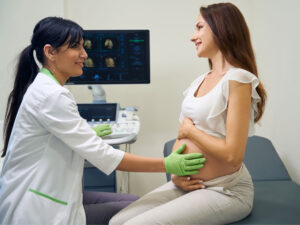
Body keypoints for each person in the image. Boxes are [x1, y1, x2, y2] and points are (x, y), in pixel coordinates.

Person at [0, 17, 206, 225]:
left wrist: (87, 133)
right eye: (75, 47)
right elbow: (104, 155)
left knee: (138, 203)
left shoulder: (46, 88)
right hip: (37, 208)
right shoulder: (52, 95)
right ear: (50, 52)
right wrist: (168, 165)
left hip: (52, 192)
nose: (84, 54)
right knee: (140, 212)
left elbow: (58, 136)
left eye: (83, 46)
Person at [109, 2, 267, 225]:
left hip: (225, 189)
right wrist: (175, 175)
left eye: (199, 27)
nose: (193, 37)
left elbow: (233, 154)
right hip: (187, 185)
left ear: (221, 28)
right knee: (118, 221)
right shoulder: (198, 82)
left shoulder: (238, 79)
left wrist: (190, 132)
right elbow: (182, 134)